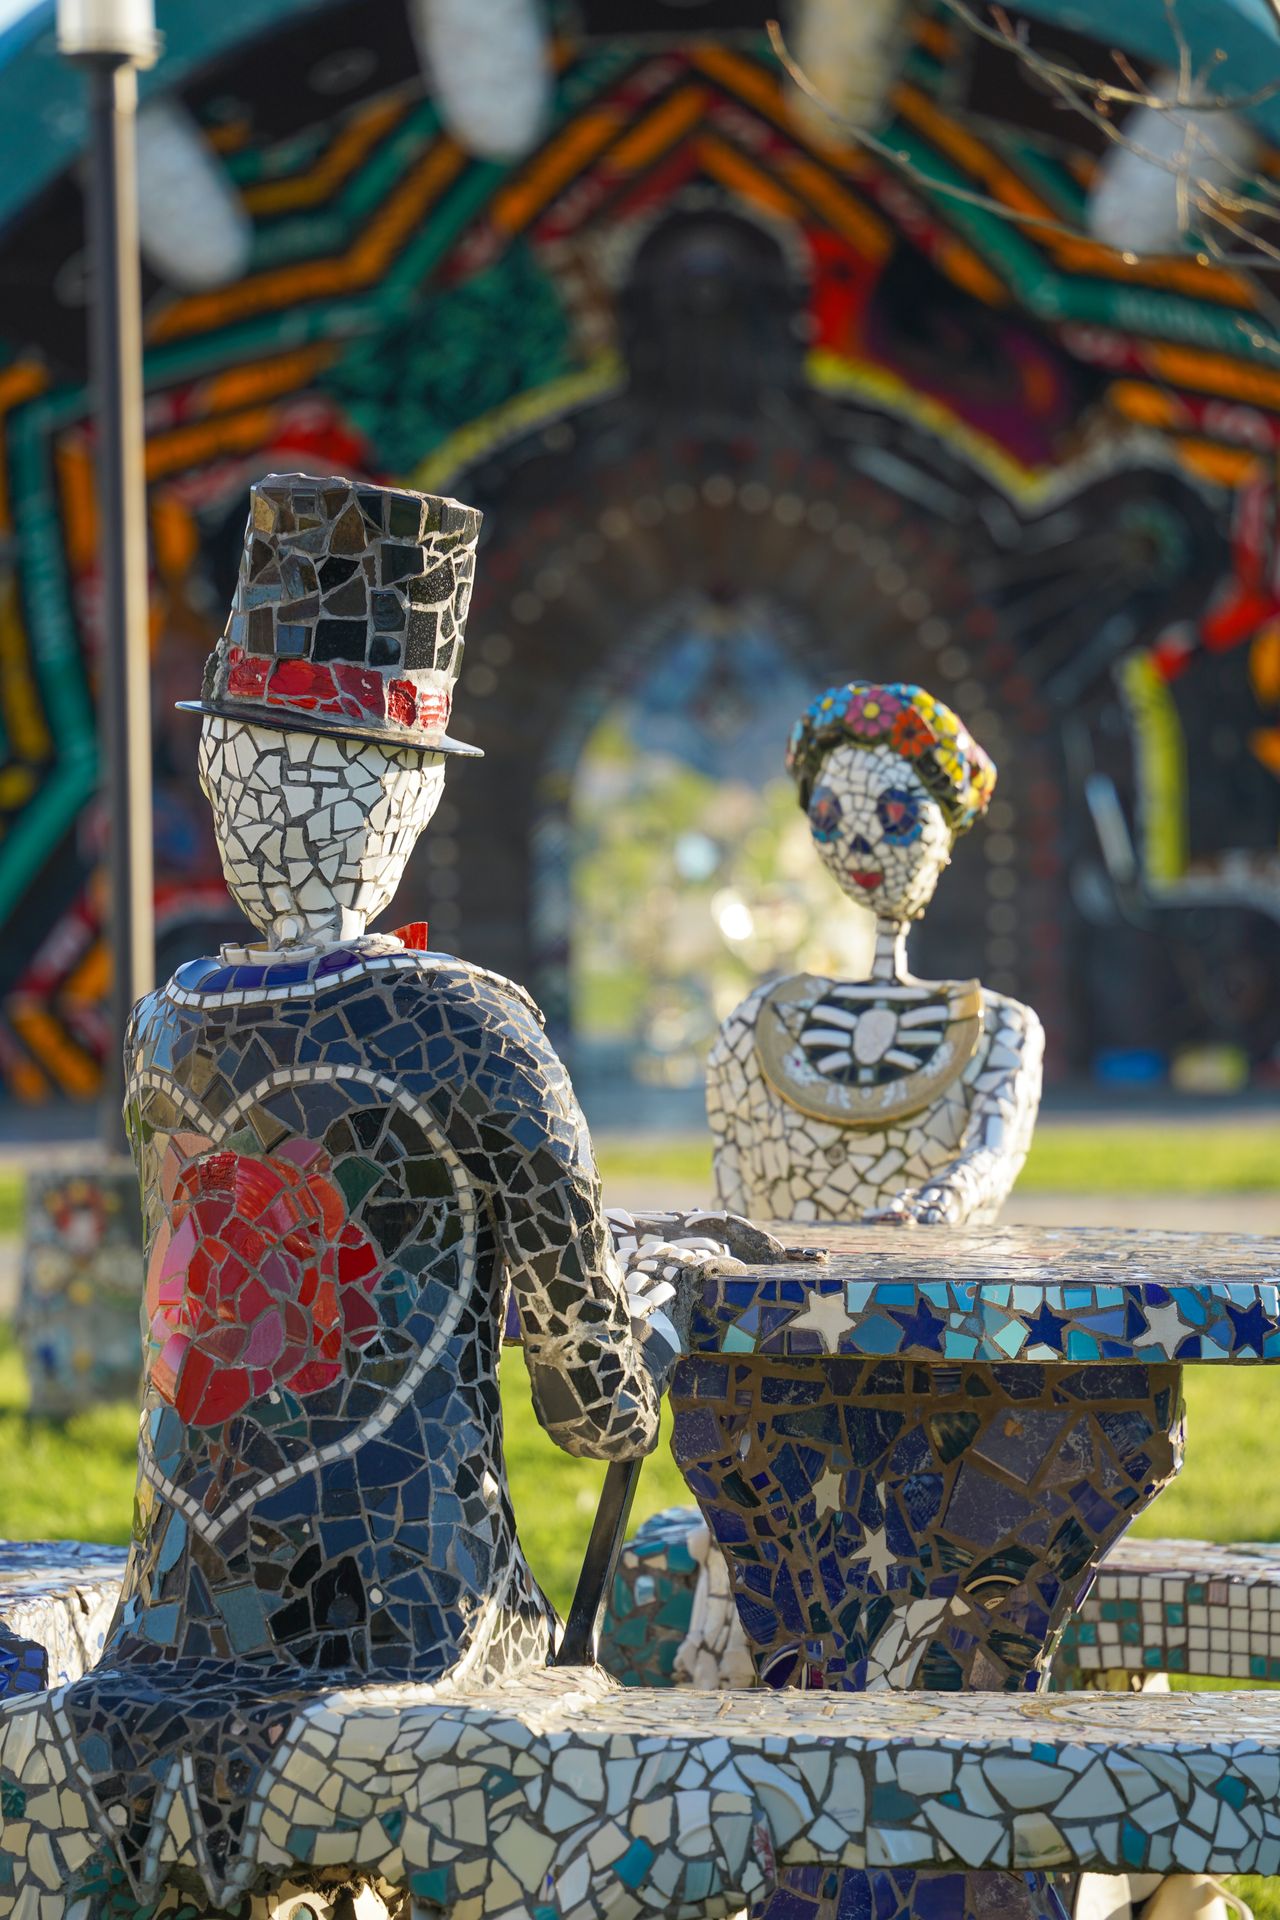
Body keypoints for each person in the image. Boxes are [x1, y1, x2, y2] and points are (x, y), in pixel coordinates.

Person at [707, 680, 1044, 1224]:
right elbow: (729, 1201)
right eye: (830, 817)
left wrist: (942, 1200)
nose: (861, 844)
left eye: (896, 817)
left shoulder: (1004, 1030)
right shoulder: (755, 1026)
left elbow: (993, 1153)